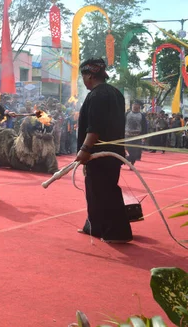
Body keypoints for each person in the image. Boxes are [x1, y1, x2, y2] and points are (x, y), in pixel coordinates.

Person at [75, 58, 132, 244]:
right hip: (113, 151)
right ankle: (95, 226)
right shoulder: (116, 93)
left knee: (102, 191)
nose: (83, 80)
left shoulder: (97, 95)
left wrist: (84, 149)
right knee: (98, 190)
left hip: (99, 153)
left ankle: (116, 232)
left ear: (89, 75)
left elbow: (94, 127)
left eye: (83, 76)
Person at [125, 100, 147, 165]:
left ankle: (132, 163)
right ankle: (126, 159)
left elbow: (144, 126)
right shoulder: (127, 114)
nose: (134, 106)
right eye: (134, 104)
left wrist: (144, 136)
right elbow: (122, 123)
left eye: (136, 105)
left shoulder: (142, 116)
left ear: (139, 107)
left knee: (134, 151)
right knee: (127, 149)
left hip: (137, 136)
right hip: (127, 135)